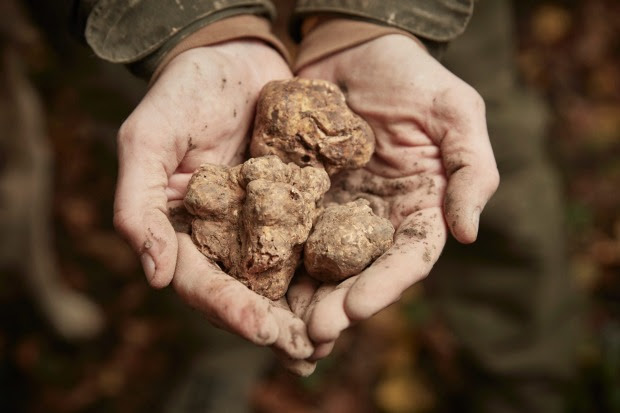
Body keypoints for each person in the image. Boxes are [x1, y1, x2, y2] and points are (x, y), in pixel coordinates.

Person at [72, 1, 577, 411]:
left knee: (495, 193)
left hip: (413, 17)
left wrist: (375, 18)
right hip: (154, 22)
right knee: (171, 204)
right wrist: (188, 25)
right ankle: (221, 356)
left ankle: (528, 375)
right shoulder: (243, 190)